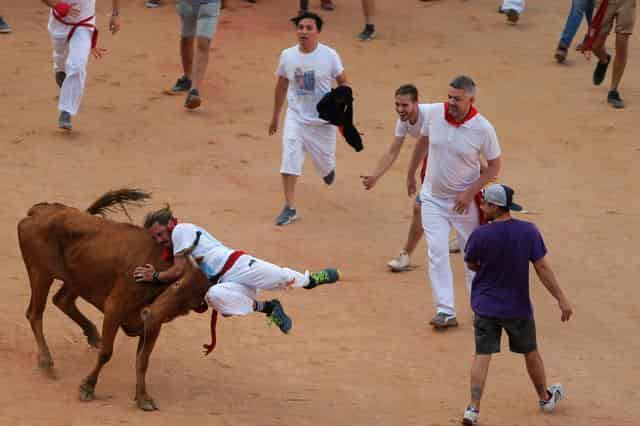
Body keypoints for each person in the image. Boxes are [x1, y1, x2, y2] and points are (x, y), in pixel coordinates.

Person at [460, 184, 573, 425]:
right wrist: (561, 299)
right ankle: (545, 398)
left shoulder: (480, 235)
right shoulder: (528, 232)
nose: (481, 207)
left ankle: (473, 408)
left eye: (484, 203)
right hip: (517, 307)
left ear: (494, 206)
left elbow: (471, 263)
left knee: (482, 355)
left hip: (485, 306)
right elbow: (542, 267)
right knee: (530, 352)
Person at [133, 205, 341, 333]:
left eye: (160, 234)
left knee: (281, 277)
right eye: (155, 238)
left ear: (170, 224)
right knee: (214, 297)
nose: (160, 240)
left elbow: (177, 271)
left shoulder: (180, 230)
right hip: (227, 281)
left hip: (239, 265)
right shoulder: (178, 246)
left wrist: (155, 276)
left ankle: (311, 280)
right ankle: (269, 308)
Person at [407, 75, 501, 329]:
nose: (451, 103)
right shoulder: (436, 114)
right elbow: (423, 142)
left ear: (471, 99)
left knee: (472, 256)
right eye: (449, 97)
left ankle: (479, 308)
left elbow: (494, 168)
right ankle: (445, 310)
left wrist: (471, 193)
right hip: (433, 199)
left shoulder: (483, 128)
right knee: (436, 252)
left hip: (464, 203)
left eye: (457, 99)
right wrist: (410, 173)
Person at [361, 84, 460, 273]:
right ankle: (408, 254)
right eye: (397, 105)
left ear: (416, 103)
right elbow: (392, 151)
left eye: (405, 105)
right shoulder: (404, 122)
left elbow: (459, 121)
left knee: (425, 207)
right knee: (425, 207)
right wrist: (375, 176)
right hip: (436, 163)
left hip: (454, 161)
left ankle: (406, 254)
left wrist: (410, 176)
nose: (400, 109)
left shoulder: (432, 113)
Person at [269, 12, 347, 226]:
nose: (303, 31)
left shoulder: (330, 55)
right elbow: (282, 84)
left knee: (326, 165)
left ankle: (327, 169)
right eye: (300, 27)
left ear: (317, 32)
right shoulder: (287, 55)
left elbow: (343, 83)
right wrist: (276, 115)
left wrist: (343, 111)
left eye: (308, 28)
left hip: (323, 122)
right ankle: (290, 207)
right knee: (289, 160)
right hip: (296, 117)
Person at [42, 0, 120, 130]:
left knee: (77, 65)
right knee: (61, 65)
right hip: (59, 24)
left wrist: (115, 14)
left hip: (84, 24)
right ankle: (61, 73)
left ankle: (66, 111)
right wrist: (56, 5)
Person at [165, 0, 222, 110]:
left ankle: (194, 90)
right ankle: (187, 78)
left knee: (203, 43)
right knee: (186, 38)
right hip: (187, 3)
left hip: (210, 4)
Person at [590, 0, 636, 108]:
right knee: (595, 45)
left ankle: (613, 91)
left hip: (627, 3)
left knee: (622, 44)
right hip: (604, 2)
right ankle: (604, 59)